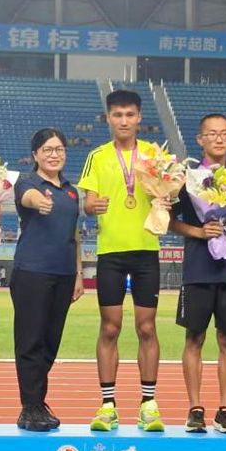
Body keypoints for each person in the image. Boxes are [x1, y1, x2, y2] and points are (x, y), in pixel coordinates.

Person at [79, 89, 166, 432]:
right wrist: (92, 207)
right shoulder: (97, 156)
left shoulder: (155, 155)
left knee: (147, 327)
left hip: (146, 249)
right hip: (110, 252)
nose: (124, 121)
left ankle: (148, 405)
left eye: (130, 114)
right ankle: (107, 405)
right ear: (108, 118)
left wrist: (167, 196)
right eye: (117, 115)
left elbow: (169, 192)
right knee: (110, 327)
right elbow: (88, 202)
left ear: (139, 117)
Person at [170, 113, 226, 434]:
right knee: (194, 338)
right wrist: (198, 231)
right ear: (200, 139)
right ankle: (195, 409)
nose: (218, 138)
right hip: (197, 270)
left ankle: (225, 410)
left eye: (224, 133)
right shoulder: (186, 178)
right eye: (212, 133)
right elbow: (169, 221)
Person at [11, 128, 84, 432]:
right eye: (48, 150)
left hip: (64, 274)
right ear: (35, 155)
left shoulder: (71, 191)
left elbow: (74, 234)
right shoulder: (28, 183)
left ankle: (38, 402)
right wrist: (39, 201)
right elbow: (27, 199)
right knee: (31, 340)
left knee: (51, 342)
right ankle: (30, 407)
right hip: (32, 272)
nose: (54, 155)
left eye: (59, 149)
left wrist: (79, 273)